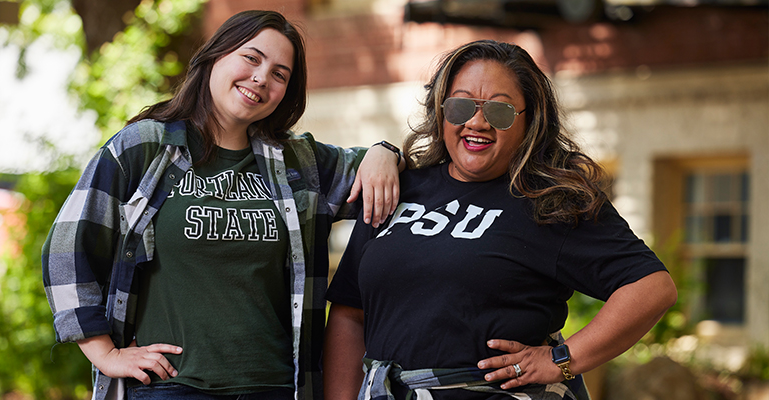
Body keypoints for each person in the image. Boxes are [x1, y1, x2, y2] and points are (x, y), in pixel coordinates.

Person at [42, 10, 405, 400]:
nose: (262, 78)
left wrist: (387, 153)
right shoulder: (146, 148)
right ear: (216, 55)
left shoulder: (300, 163)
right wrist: (105, 353)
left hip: (276, 388)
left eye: (280, 74)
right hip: (171, 389)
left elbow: (389, 177)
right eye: (251, 58)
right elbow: (67, 246)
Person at [323, 39, 677, 400]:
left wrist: (562, 360)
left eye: (500, 112)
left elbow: (651, 288)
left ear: (530, 120)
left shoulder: (550, 201)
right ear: (441, 111)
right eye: (460, 106)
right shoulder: (397, 188)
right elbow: (350, 313)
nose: (477, 122)